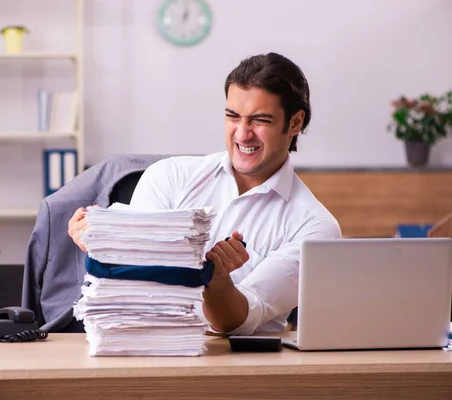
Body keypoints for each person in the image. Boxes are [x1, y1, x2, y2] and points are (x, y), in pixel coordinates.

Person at [68, 52, 341, 335]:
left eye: (260, 120)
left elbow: (234, 321)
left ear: (295, 123)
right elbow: (138, 289)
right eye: (233, 117)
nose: (242, 134)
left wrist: (218, 280)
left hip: (243, 369)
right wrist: (107, 242)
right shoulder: (169, 177)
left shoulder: (315, 228)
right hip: (144, 351)